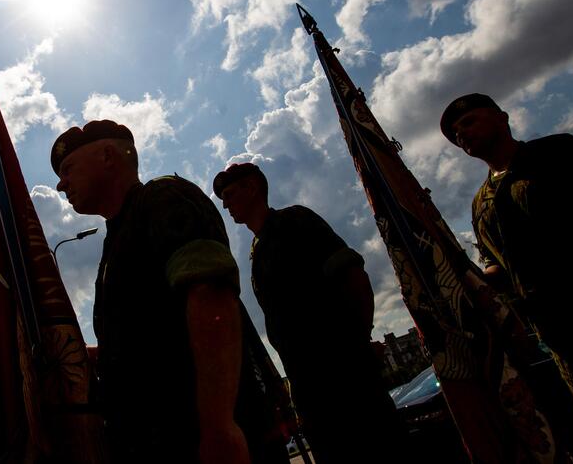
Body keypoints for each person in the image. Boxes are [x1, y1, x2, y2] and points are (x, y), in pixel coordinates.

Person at [51, 120, 288, 464]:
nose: (60, 185)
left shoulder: (162, 198)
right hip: (160, 442)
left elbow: (210, 297)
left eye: (68, 168)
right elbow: (153, 338)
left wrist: (219, 428)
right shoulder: (115, 240)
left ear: (107, 156)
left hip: (195, 438)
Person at [441, 93, 573, 461]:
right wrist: (468, 281)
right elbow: (499, 266)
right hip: (565, 337)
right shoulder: (482, 202)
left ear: (502, 118)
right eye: (455, 132)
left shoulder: (558, 154)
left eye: (468, 122)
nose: (461, 133)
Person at [213, 163, 409, 463]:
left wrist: (357, 345)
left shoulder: (295, 221)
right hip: (310, 390)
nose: (225, 204)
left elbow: (352, 275)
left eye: (228, 194)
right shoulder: (257, 249)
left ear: (251, 188)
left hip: (346, 380)